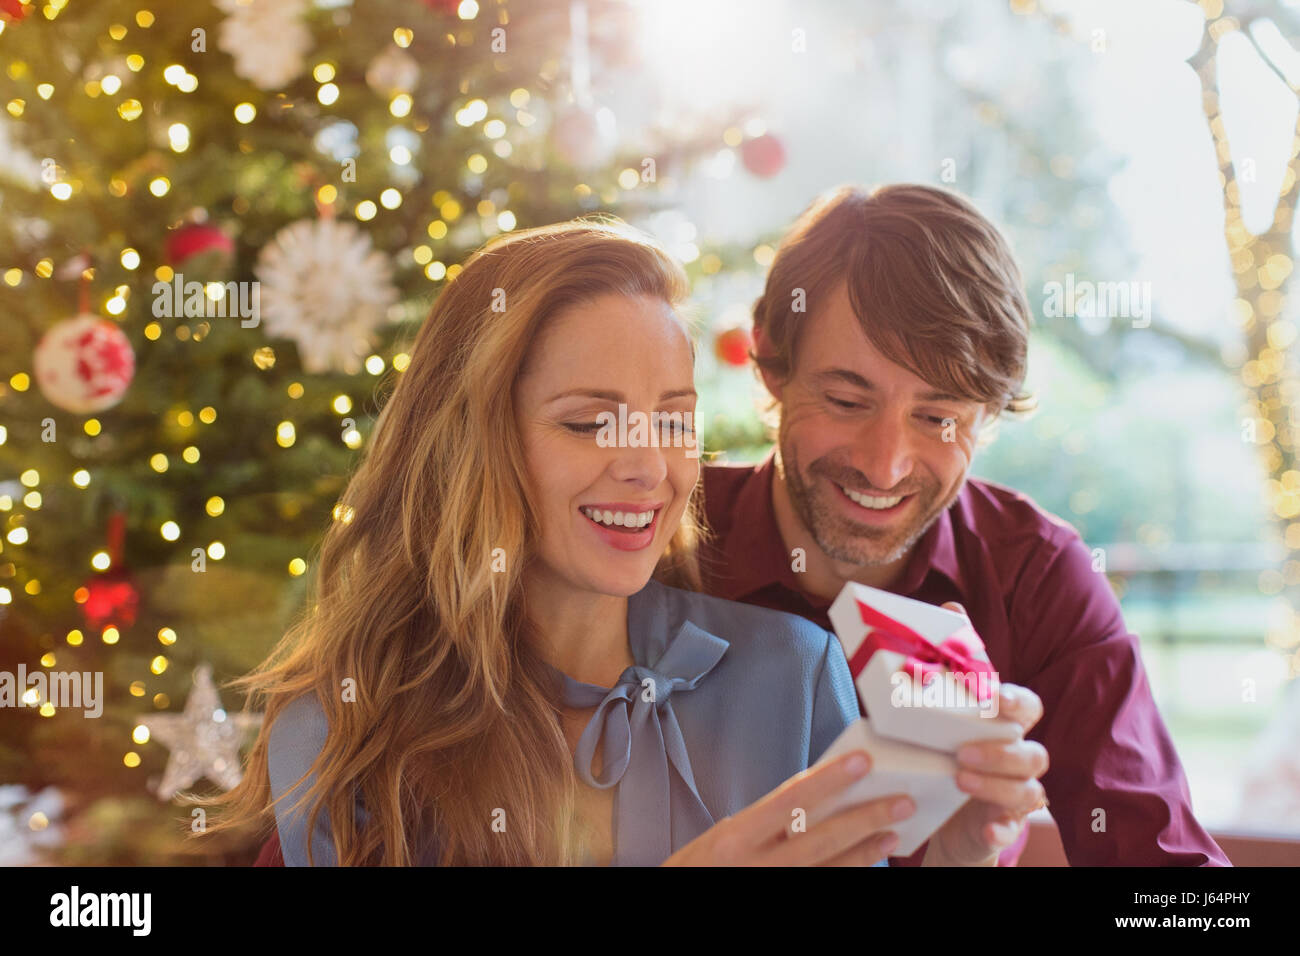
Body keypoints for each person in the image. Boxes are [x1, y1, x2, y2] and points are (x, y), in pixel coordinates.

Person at [204, 220, 1047, 866]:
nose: (650, 467)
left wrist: (954, 856)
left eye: (674, 420)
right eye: (590, 421)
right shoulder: (346, 727)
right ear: (478, 441)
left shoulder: (793, 675)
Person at [698, 183, 1231, 866]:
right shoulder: (657, 538)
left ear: (989, 415)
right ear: (772, 361)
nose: (885, 467)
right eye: (845, 399)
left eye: (937, 417)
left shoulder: (1034, 577)